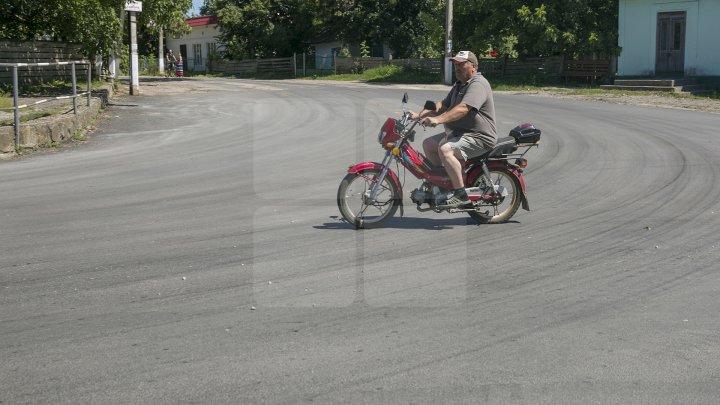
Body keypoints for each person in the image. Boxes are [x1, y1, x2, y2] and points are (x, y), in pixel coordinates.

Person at [409, 50, 497, 207]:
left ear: (473, 67)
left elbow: (463, 108)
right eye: (455, 64)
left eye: (461, 64)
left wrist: (438, 119)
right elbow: (442, 105)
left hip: (479, 137)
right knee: (429, 145)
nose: (457, 67)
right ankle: (443, 185)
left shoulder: (478, 84)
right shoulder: (459, 85)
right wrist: (418, 115)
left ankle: (461, 194)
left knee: (445, 150)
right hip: (460, 133)